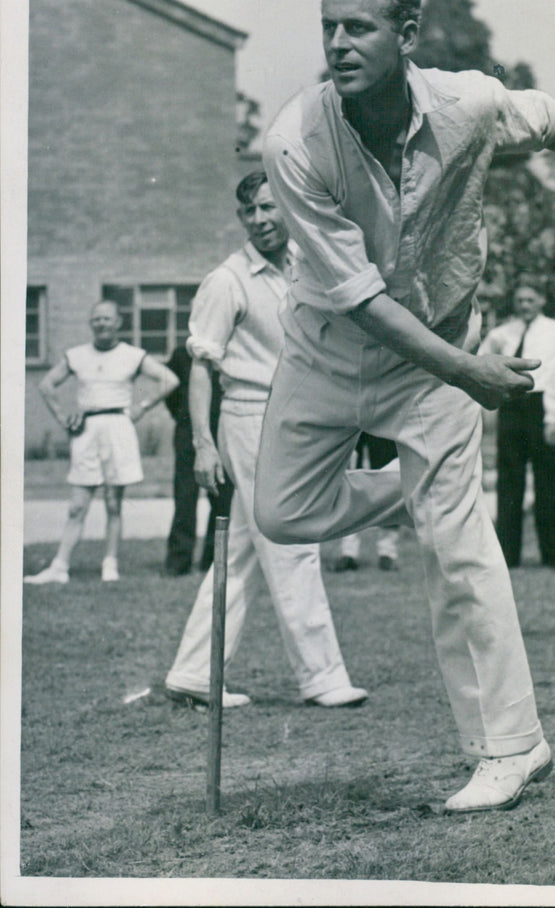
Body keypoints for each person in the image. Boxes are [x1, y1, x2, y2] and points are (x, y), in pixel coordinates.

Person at [254, 0, 555, 812]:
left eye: (360, 27)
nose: (338, 43)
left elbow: (548, 117)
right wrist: (473, 373)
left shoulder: (467, 101)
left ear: (407, 36)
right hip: (334, 347)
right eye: (328, 27)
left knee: (461, 552)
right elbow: (363, 299)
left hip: (440, 357)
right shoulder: (292, 141)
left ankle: (511, 748)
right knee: (282, 513)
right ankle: (415, 493)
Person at [164, 171, 367, 710]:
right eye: (250, 211)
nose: (261, 220)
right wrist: (204, 445)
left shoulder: (304, 264)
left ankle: (191, 673)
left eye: (270, 208)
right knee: (292, 540)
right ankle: (322, 678)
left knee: (244, 554)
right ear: (240, 219)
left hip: (298, 416)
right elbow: (200, 367)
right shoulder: (227, 280)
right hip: (250, 417)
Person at [25, 300, 178, 584]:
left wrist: (141, 406)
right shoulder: (77, 355)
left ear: (119, 322)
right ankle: (59, 567)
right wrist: (62, 417)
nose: (101, 323)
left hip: (118, 427)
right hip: (87, 430)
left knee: (113, 503)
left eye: (107, 319)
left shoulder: (132, 355)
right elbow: (46, 384)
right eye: (96, 319)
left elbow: (169, 379)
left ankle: (110, 564)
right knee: (77, 504)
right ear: (90, 323)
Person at [479, 275, 555, 569]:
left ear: (542, 300)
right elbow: (483, 361)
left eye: (531, 300)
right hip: (512, 407)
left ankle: (553, 555)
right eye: (520, 300)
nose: (525, 305)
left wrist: (553, 415)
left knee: (546, 482)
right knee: (509, 481)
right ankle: (507, 555)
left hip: (543, 404)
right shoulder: (502, 333)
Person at [163, 344, 234, 576]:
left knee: (222, 498)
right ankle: (179, 560)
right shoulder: (183, 352)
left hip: (224, 430)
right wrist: (186, 419)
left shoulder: (230, 350)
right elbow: (170, 392)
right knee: (185, 496)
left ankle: (213, 560)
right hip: (189, 434)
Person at [332, 433, 401, 572]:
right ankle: (348, 553)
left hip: (384, 424)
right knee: (351, 484)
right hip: (356, 421)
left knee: (387, 483)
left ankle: (387, 553)